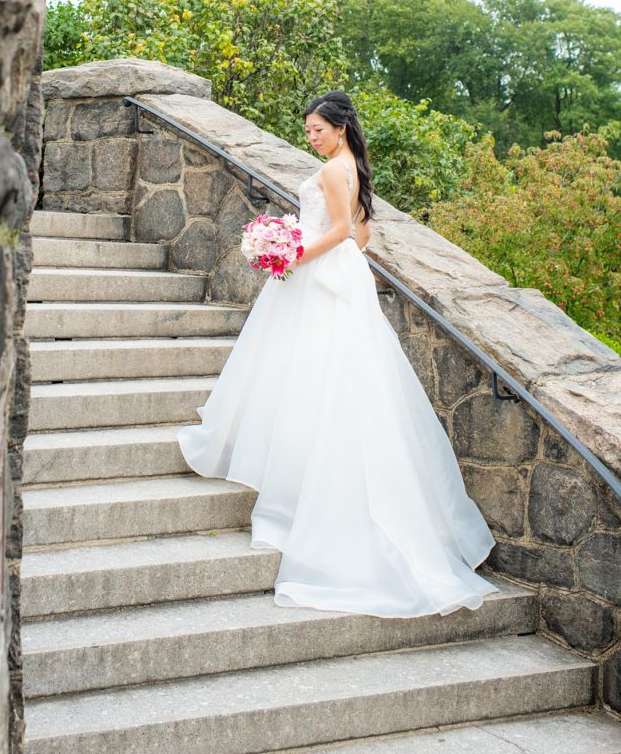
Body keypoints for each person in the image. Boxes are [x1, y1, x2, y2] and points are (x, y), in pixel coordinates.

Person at [177, 90, 498, 617]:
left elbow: (342, 231)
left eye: (317, 130)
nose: (312, 138)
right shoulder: (352, 169)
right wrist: (309, 251)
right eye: (307, 132)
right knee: (330, 375)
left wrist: (293, 252)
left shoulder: (332, 171)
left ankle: (301, 483)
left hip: (319, 274)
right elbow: (362, 236)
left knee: (308, 371)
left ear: (340, 128)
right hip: (342, 275)